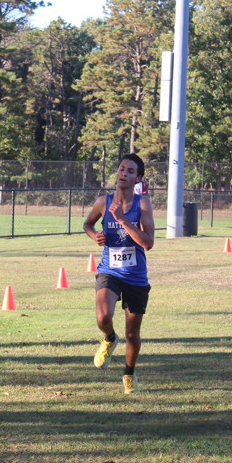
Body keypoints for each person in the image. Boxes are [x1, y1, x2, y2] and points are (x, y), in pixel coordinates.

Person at [83, 154, 155, 395]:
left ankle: (129, 374)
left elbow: (148, 243)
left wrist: (123, 220)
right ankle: (109, 338)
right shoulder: (103, 202)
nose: (124, 173)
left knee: (132, 334)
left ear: (138, 178)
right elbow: (88, 224)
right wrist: (95, 236)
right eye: (122, 169)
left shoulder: (143, 204)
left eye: (130, 171)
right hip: (109, 270)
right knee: (103, 316)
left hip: (135, 276)